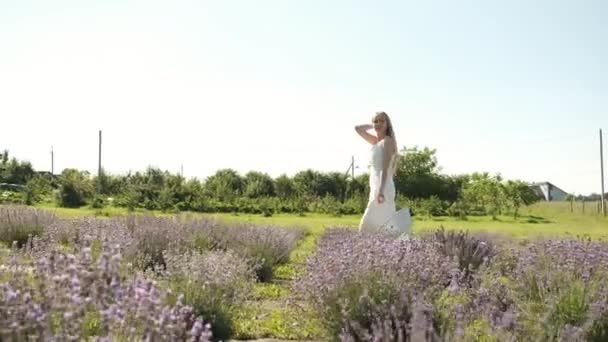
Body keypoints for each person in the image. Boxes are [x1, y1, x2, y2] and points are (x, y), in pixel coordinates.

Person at [355, 111, 400, 233]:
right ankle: (385, 250)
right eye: (376, 121)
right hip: (375, 187)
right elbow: (358, 129)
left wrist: (380, 190)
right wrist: (372, 125)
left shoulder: (387, 141)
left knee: (366, 226)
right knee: (380, 227)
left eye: (382, 121)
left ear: (387, 124)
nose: (378, 123)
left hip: (383, 187)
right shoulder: (376, 142)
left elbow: (385, 169)